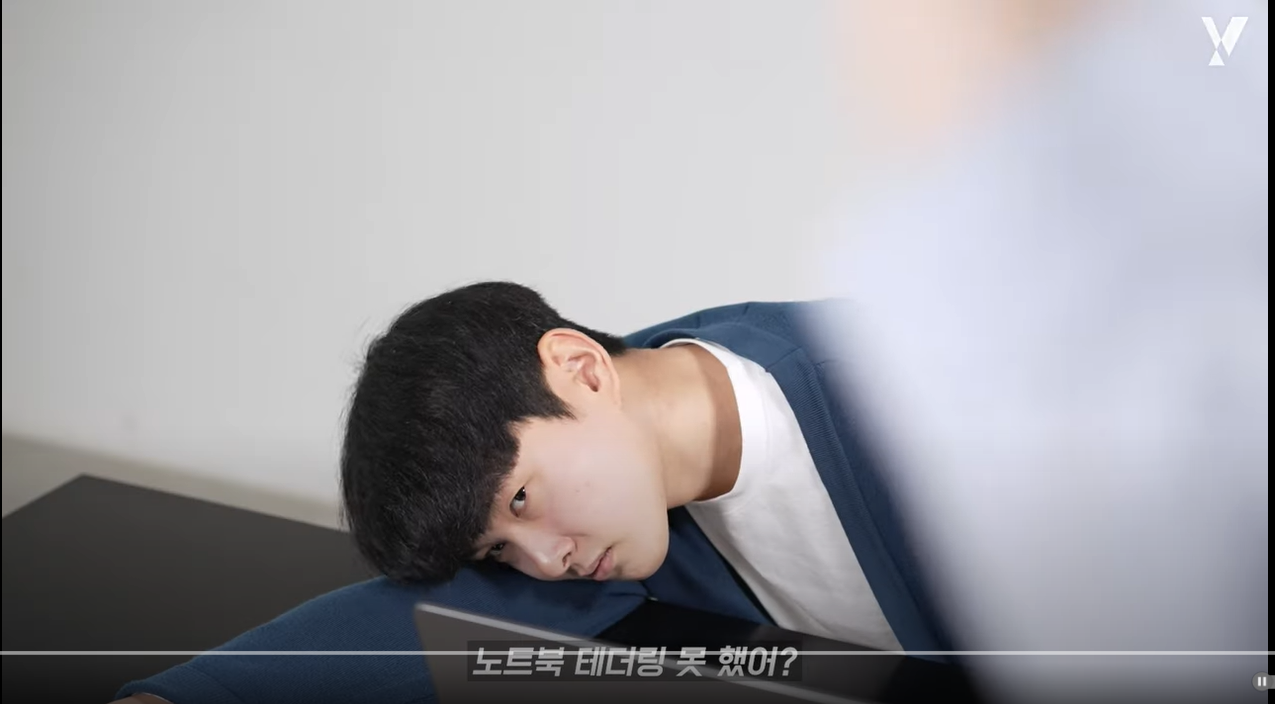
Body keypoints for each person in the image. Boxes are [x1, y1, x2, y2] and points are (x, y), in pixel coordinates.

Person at [113, 282, 954, 704]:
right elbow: (423, 614)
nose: (544, 563)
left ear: (580, 369)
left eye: (519, 501)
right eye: (500, 546)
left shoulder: (916, 389)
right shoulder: (612, 488)